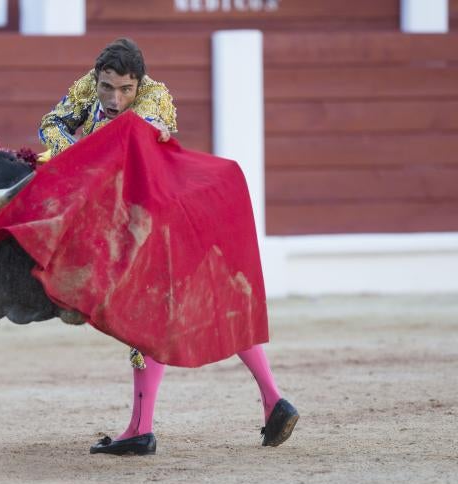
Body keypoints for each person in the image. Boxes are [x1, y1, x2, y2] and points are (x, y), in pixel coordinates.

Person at [38, 37, 299, 456]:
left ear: (139, 83)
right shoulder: (88, 86)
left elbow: (117, 144)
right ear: (98, 77)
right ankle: (274, 400)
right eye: (107, 87)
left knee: (146, 317)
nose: (114, 98)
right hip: (139, 218)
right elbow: (50, 123)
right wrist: (71, 151)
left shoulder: (155, 99)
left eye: (125, 89)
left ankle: (141, 430)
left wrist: (73, 154)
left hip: (161, 225)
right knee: (204, 307)